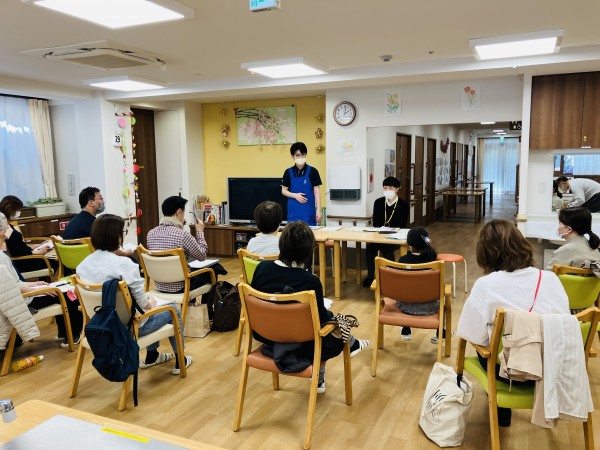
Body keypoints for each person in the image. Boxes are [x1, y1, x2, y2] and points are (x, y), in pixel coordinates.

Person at [457, 219, 569, 427]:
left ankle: (501, 411)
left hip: (508, 372)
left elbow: (471, 333)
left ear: (486, 252)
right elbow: (564, 324)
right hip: (551, 368)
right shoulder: (551, 279)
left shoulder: (486, 285)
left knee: (494, 346)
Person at [251, 221, 369, 394]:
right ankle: (349, 347)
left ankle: (348, 349)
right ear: (308, 251)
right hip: (302, 342)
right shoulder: (310, 281)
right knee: (332, 327)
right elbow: (321, 321)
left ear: (281, 244)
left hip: (267, 335)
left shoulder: (262, 269)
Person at [77, 214, 192, 374]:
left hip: (99, 327)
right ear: (117, 236)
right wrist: (150, 302)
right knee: (173, 309)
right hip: (128, 328)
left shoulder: (83, 265)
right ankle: (181, 360)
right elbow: (143, 304)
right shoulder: (124, 265)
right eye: (123, 232)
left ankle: (153, 355)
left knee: (150, 309)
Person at [0, 212, 82, 346]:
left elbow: (10, 285)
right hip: (23, 300)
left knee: (57, 288)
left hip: (19, 296)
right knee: (67, 293)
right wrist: (38, 289)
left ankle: (64, 333)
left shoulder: (2, 256)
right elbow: (12, 290)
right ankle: (72, 335)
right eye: (5, 230)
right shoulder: (2, 258)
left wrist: (35, 284)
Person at [147, 195, 225, 294]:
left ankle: (191, 302)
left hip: (160, 285)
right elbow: (202, 255)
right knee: (213, 270)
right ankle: (203, 304)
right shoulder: (182, 235)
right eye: (183, 213)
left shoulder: (150, 234)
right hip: (181, 287)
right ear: (179, 212)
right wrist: (200, 231)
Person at [363, 176, 409, 287]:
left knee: (387, 249)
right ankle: (370, 276)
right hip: (379, 235)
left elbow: (402, 225)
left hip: (394, 236)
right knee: (370, 249)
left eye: (391, 188)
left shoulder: (403, 205)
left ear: (397, 189)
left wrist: (390, 231)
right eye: (385, 188)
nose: (388, 190)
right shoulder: (379, 202)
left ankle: (391, 276)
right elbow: (376, 223)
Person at [396, 227, 439, 342]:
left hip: (405, 306)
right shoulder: (434, 261)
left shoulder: (402, 261)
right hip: (430, 307)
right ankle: (441, 333)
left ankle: (406, 330)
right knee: (444, 296)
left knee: (406, 290)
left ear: (409, 245)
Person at [0, 195, 57, 275]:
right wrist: (37, 252)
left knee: (51, 259)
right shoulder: (6, 229)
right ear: (11, 210)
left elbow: (21, 246)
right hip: (23, 262)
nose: (19, 212)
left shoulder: (8, 226)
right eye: (18, 210)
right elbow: (17, 252)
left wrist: (39, 245)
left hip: (26, 257)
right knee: (56, 261)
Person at [281, 142, 322, 226]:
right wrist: (295, 196)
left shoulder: (313, 171)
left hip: (308, 214)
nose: (301, 157)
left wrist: (318, 210)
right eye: (298, 155)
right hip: (293, 214)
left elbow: (317, 191)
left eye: (303, 155)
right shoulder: (288, 172)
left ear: (306, 155)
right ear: (292, 156)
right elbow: (284, 191)